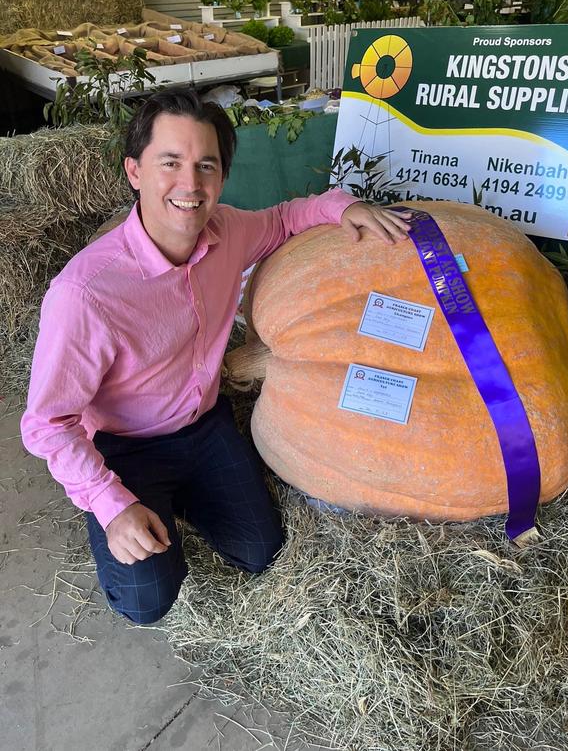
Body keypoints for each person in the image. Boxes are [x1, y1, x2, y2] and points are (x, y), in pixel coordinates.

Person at [20, 88, 412, 624]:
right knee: (146, 600)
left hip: (203, 428)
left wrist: (345, 207)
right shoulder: (84, 294)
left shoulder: (226, 231)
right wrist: (113, 506)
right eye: (171, 163)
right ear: (134, 171)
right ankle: (144, 507)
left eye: (206, 165)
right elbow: (47, 424)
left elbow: (284, 219)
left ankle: (181, 497)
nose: (190, 184)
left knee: (260, 552)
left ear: (223, 177)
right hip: (125, 448)